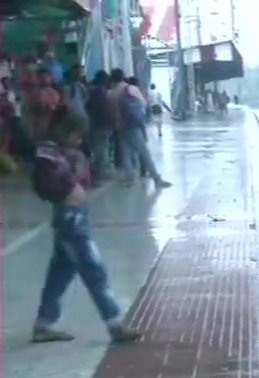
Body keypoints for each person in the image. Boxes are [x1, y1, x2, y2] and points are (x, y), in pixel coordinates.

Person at [29, 107, 141, 344]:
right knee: (93, 269)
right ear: (65, 131)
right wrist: (67, 191)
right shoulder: (48, 153)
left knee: (59, 274)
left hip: (73, 216)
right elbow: (43, 184)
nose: (79, 140)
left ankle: (44, 323)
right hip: (71, 219)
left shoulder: (61, 151)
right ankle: (114, 322)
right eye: (76, 135)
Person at [109, 68, 170, 187]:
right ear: (123, 76)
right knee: (144, 152)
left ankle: (130, 178)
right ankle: (156, 179)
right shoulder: (131, 88)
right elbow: (143, 104)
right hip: (133, 125)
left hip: (120, 126)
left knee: (126, 152)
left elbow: (112, 110)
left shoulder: (112, 93)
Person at [86, 71, 114, 183]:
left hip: (97, 124)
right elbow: (104, 110)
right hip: (102, 124)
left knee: (100, 148)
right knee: (102, 149)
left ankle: (99, 171)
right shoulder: (101, 92)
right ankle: (100, 172)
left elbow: (88, 107)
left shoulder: (93, 91)